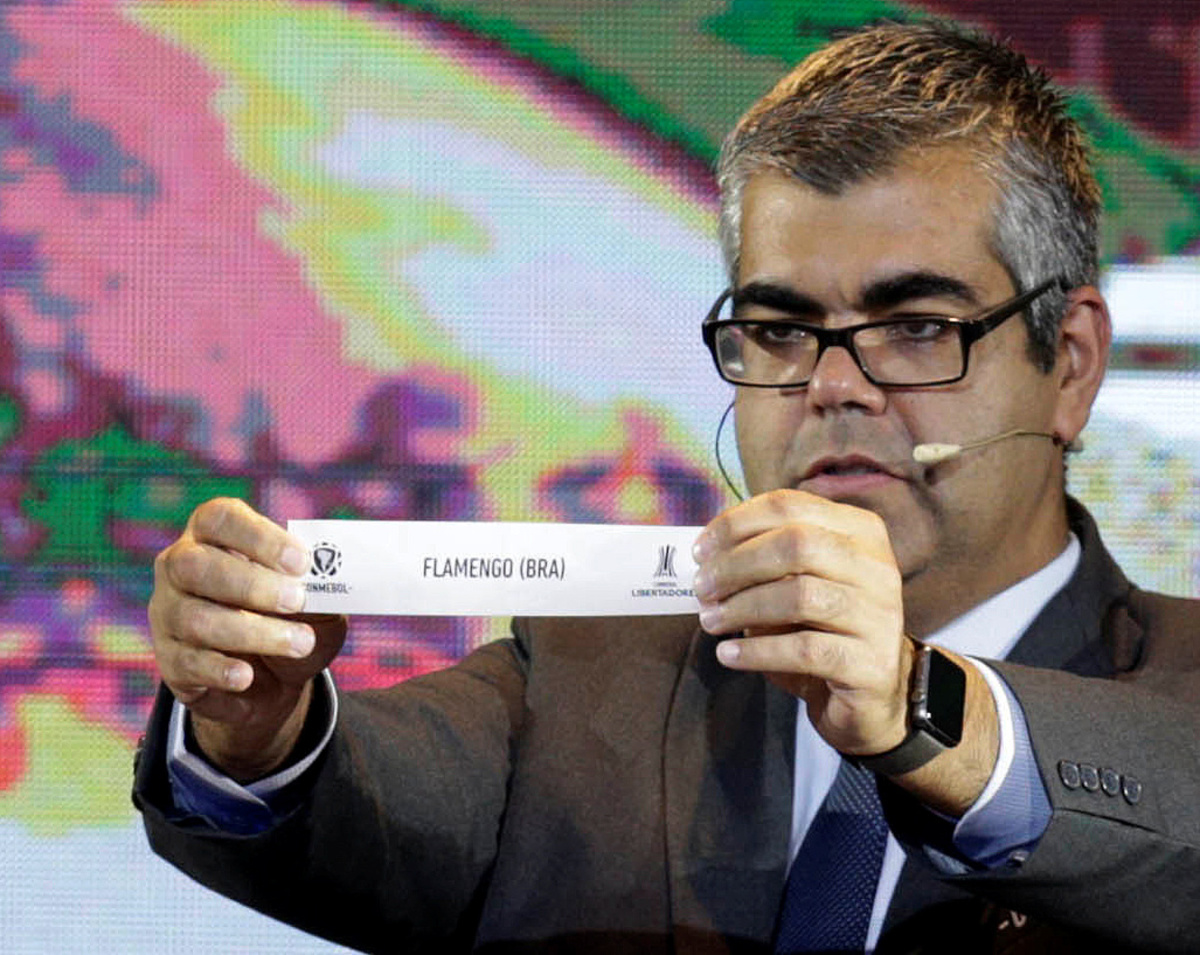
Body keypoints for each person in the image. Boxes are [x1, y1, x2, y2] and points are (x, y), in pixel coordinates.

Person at [134, 20, 1200, 954]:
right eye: (778, 330)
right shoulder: (591, 679)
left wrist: (917, 700)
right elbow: (353, 802)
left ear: (1070, 362)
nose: (832, 385)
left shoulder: (1179, 685)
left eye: (916, 327)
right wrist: (253, 732)